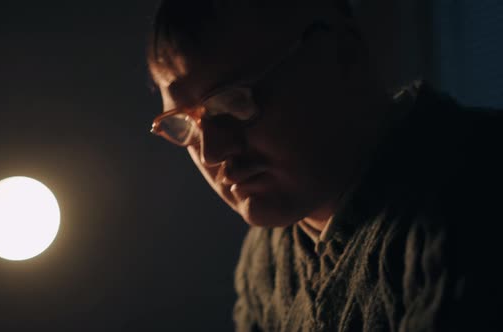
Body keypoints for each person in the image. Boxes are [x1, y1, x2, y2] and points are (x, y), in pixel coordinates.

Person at [145, 0, 503, 331]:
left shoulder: (475, 185)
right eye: (185, 125)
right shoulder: (266, 262)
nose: (211, 152)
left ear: (343, 53)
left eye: (233, 102)